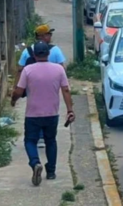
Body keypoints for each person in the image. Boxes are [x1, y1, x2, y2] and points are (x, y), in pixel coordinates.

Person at [11, 41, 74, 186]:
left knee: (30, 141)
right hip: (52, 113)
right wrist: (70, 110)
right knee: (51, 141)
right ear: (48, 53)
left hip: (33, 114)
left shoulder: (28, 70)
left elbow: (19, 91)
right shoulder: (59, 69)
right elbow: (65, 90)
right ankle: (51, 172)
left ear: (33, 54)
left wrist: (13, 99)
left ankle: (35, 163)